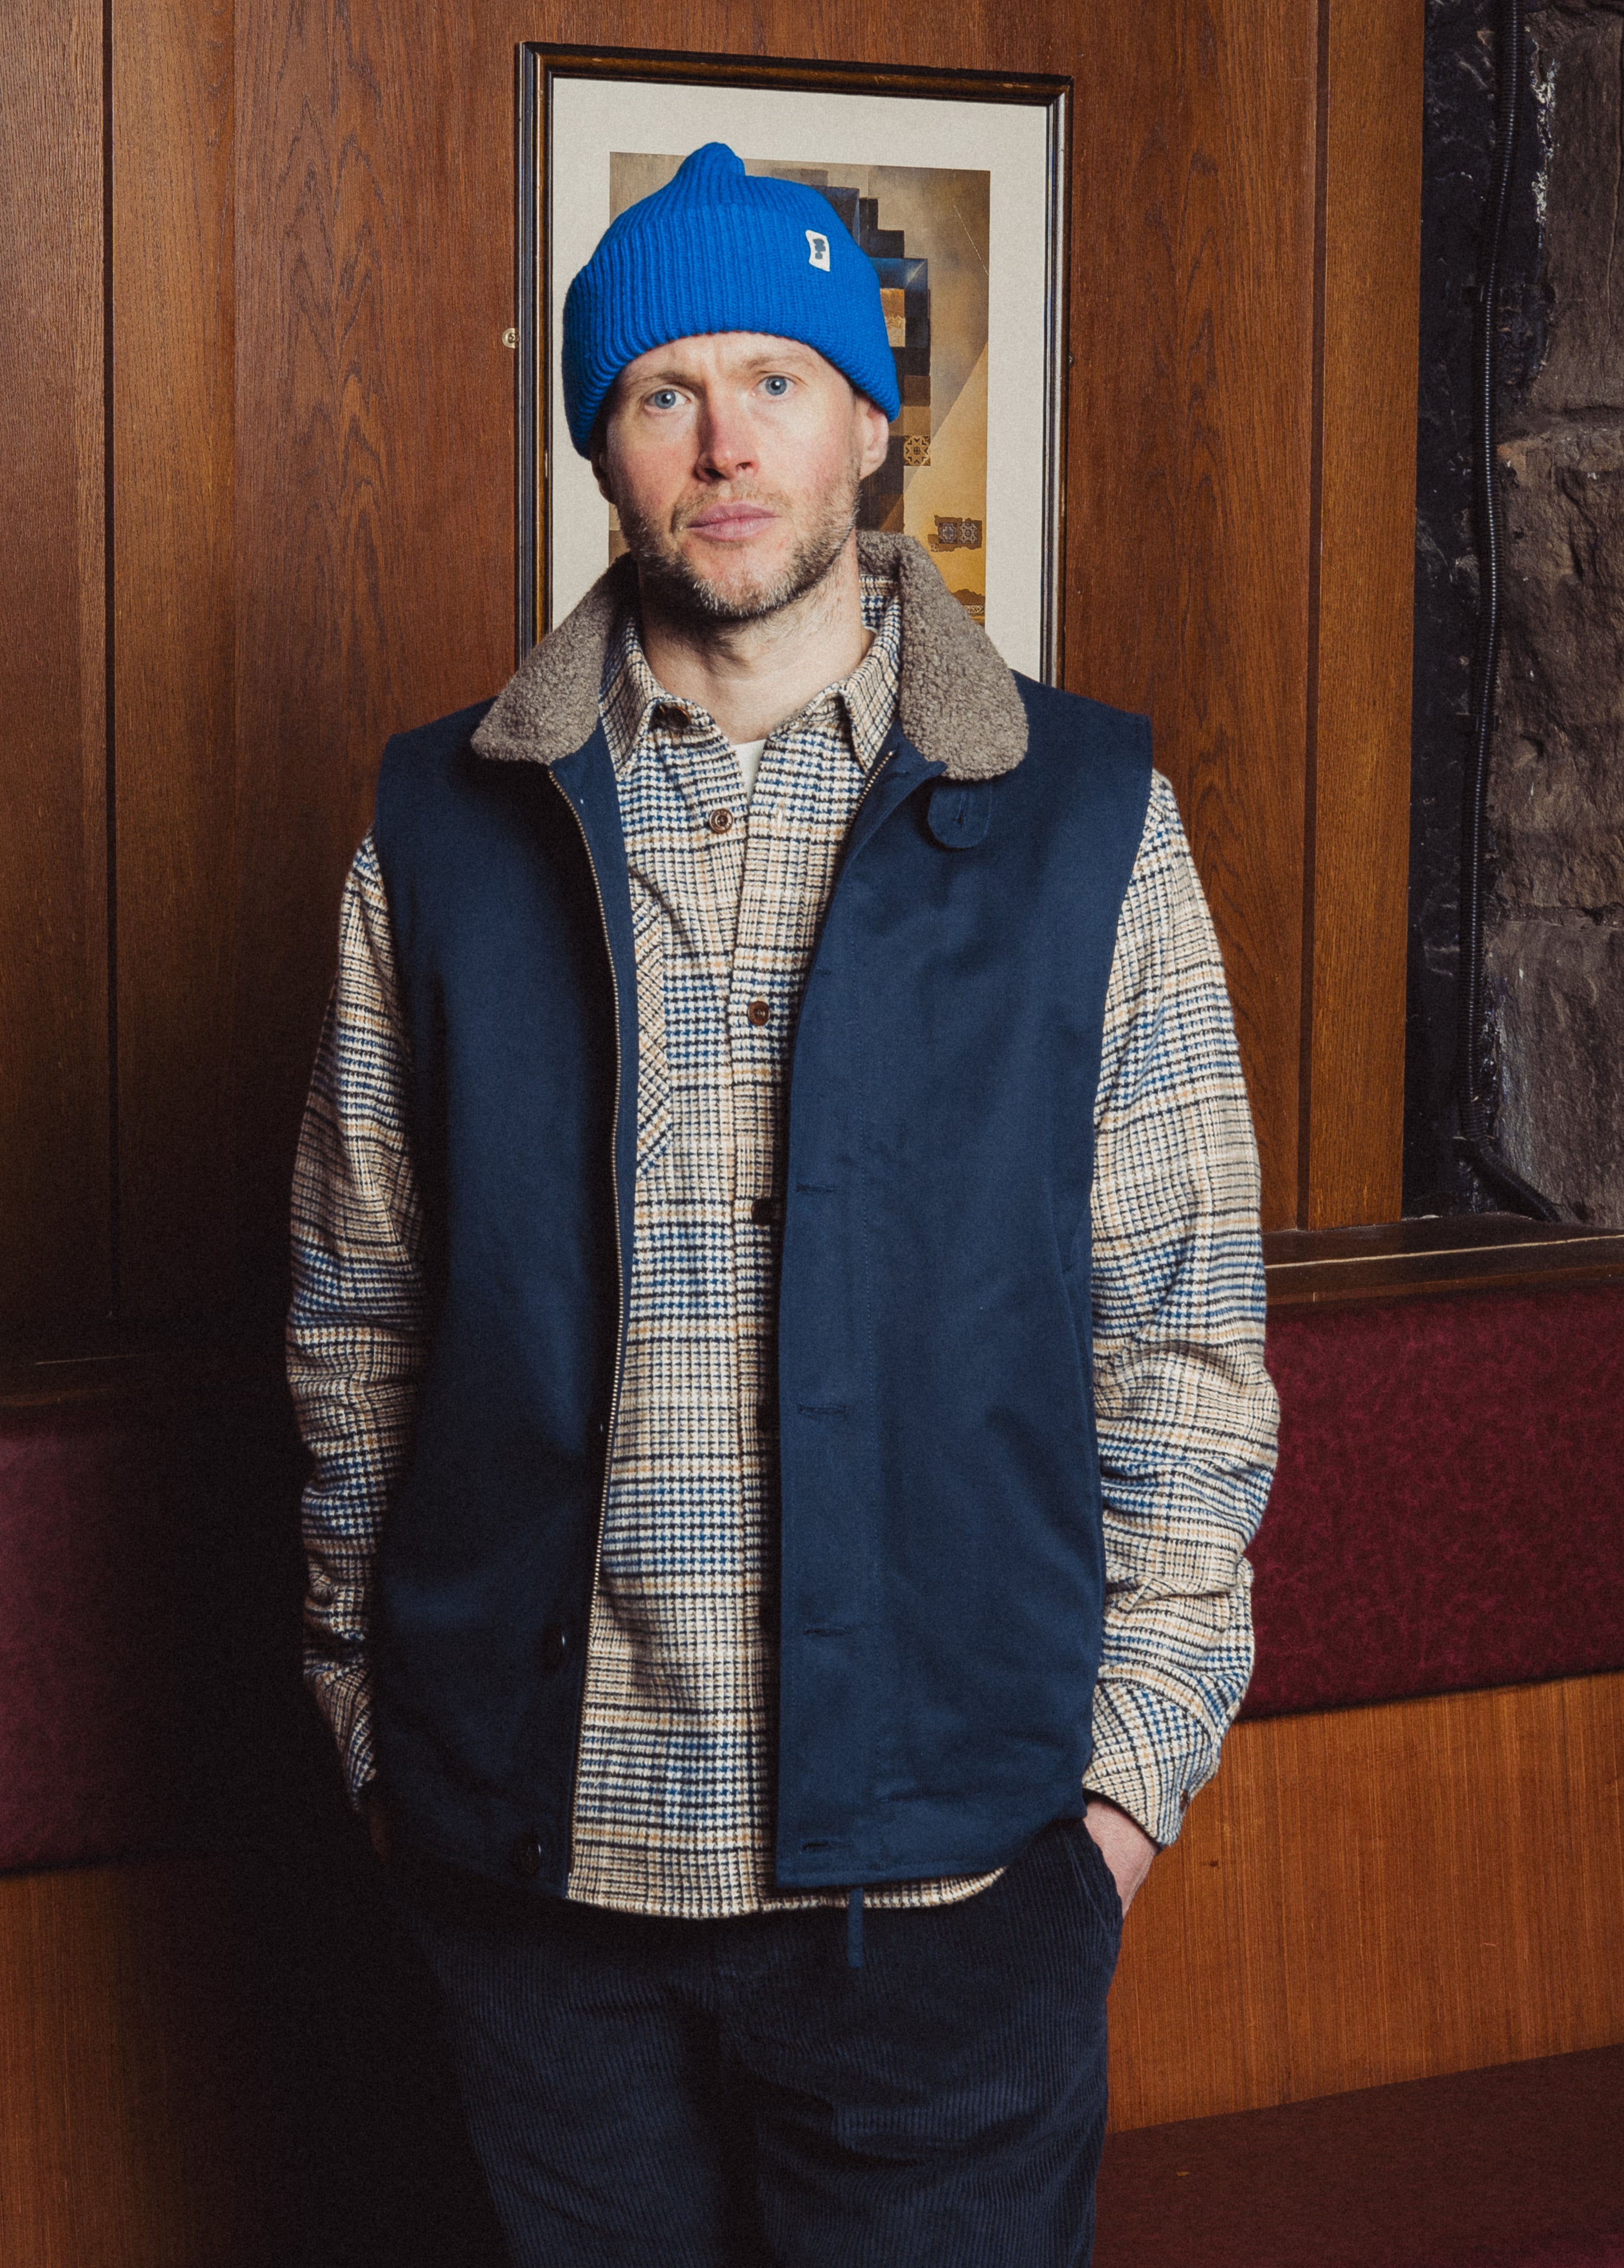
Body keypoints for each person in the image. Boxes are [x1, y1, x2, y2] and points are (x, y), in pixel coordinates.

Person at [288, 143, 1278, 2268]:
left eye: (773, 374)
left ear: (865, 419)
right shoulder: (437, 822)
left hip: (944, 1880)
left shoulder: (1085, 813)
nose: (723, 438)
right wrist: (377, 1729)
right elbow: (355, 1308)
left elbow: (1180, 1320)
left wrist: (1116, 1788)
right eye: (658, 388)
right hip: (529, 1868)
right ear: (598, 448)